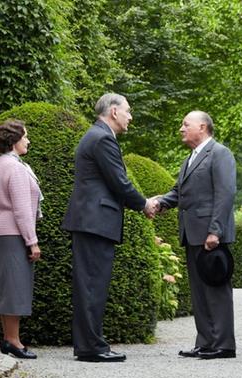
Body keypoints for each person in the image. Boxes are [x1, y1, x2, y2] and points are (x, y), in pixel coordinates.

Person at [62, 93, 158, 363]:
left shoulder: (95, 135)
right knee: (92, 285)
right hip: (95, 222)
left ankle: (88, 344)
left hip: (90, 221)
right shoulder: (103, 138)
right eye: (127, 111)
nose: (131, 116)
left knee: (89, 285)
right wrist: (144, 204)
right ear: (113, 111)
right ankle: (92, 347)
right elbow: (120, 181)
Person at [157, 111, 237, 360]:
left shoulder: (220, 153)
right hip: (192, 234)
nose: (181, 128)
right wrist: (158, 203)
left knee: (216, 289)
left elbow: (225, 194)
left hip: (210, 235)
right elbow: (178, 192)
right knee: (199, 291)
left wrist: (215, 230)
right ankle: (205, 342)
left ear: (202, 127)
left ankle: (223, 345)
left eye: (185, 124)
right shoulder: (190, 158)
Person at [0, 120, 42, 359]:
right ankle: (13, 341)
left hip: (1, 232)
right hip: (14, 233)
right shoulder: (16, 168)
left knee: (5, 286)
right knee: (15, 287)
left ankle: (9, 339)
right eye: (25, 137)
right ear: (14, 141)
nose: (28, 141)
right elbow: (21, 209)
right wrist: (32, 241)